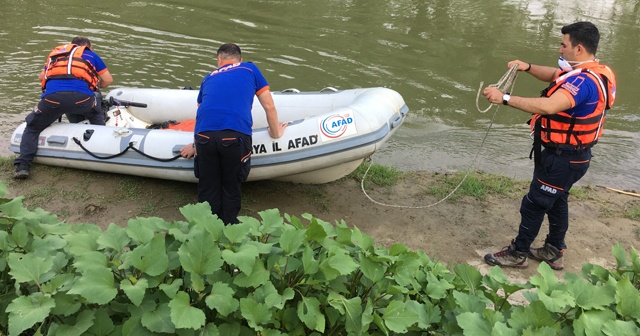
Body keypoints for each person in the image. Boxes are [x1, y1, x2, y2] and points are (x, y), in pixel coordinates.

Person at [482, 22, 617, 270]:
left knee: (534, 203)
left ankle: (518, 253)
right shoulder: (595, 72)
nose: (560, 49)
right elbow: (556, 75)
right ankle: (553, 251)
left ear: (578, 49)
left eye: (563, 45)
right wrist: (528, 67)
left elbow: (549, 106)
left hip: (563, 158)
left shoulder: (583, 84)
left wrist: (504, 98)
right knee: (557, 201)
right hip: (575, 156)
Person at [193, 43, 287, 224]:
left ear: (219, 60)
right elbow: (269, 105)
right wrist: (275, 132)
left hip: (204, 136)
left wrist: (195, 144)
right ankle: (228, 230)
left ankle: (206, 229)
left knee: (207, 186)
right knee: (231, 185)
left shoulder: (208, 77)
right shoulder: (250, 69)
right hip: (234, 136)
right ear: (240, 59)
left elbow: (201, 114)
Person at [14, 36, 113, 179]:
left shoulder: (56, 55)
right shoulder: (90, 54)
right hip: (83, 100)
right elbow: (108, 80)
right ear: (88, 46)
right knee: (95, 113)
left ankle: (23, 165)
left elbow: (41, 76)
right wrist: (96, 88)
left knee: (32, 127)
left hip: (52, 99)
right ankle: (105, 151)